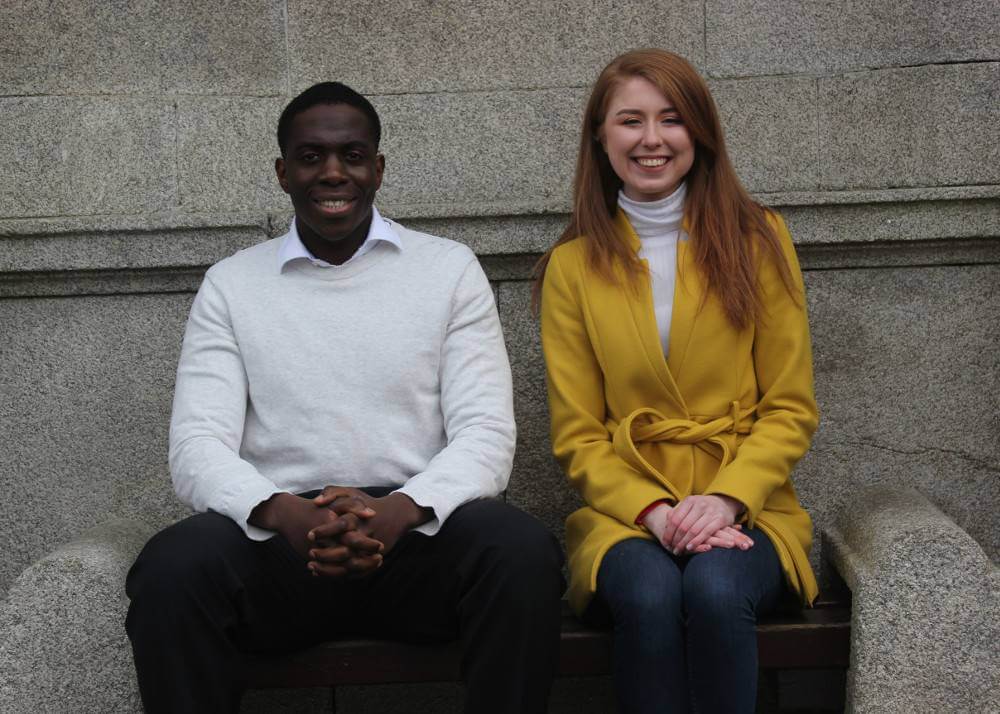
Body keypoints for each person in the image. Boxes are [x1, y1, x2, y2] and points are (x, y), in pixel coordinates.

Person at [125, 81, 564, 714]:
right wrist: (284, 515)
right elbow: (197, 445)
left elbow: (486, 436)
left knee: (520, 552)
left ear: (378, 168)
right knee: (171, 569)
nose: (333, 172)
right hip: (279, 544)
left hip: (416, 538)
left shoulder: (448, 269)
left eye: (353, 155)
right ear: (283, 172)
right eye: (311, 157)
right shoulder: (232, 284)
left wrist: (401, 510)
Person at [536, 49, 819, 713]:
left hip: (749, 504)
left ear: (699, 132)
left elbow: (790, 406)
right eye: (630, 120)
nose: (652, 139)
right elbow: (577, 435)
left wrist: (723, 501)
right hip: (627, 514)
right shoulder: (571, 267)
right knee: (650, 592)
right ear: (601, 138)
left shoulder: (760, 240)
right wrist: (658, 515)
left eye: (672, 119)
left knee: (717, 590)